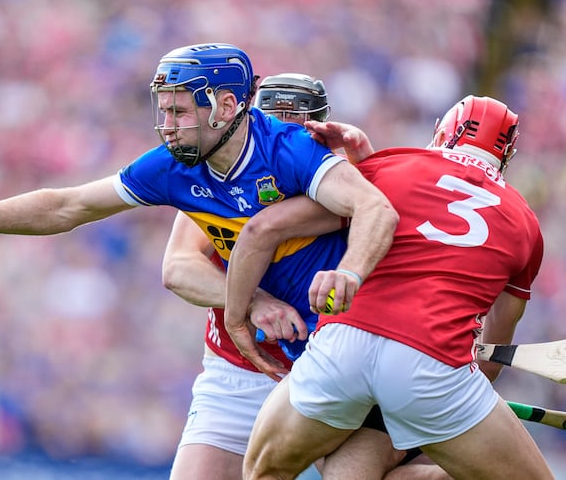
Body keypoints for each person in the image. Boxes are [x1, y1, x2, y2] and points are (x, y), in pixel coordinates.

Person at [0, 42, 398, 469]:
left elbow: (376, 209)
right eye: (164, 110)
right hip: (242, 365)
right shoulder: (182, 169)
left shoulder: (301, 155)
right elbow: (71, 206)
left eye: (179, 112)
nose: (167, 126)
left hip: (330, 354)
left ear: (228, 107)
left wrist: (349, 269)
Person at [223, 95, 554, 479]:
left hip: (343, 345)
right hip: (432, 362)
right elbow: (491, 354)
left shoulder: (392, 164)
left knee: (265, 470)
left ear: (442, 132)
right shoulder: (526, 224)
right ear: (507, 154)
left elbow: (265, 228)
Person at [163, 73, 446, 480]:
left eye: (295, 126)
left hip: (326, 370)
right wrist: (254, 301)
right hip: (237, 370)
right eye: (271, 123)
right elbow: (178, 267)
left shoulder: (346, 182)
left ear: (318, 130)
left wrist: (369, 167)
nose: (280, 138)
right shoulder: (219, 179)